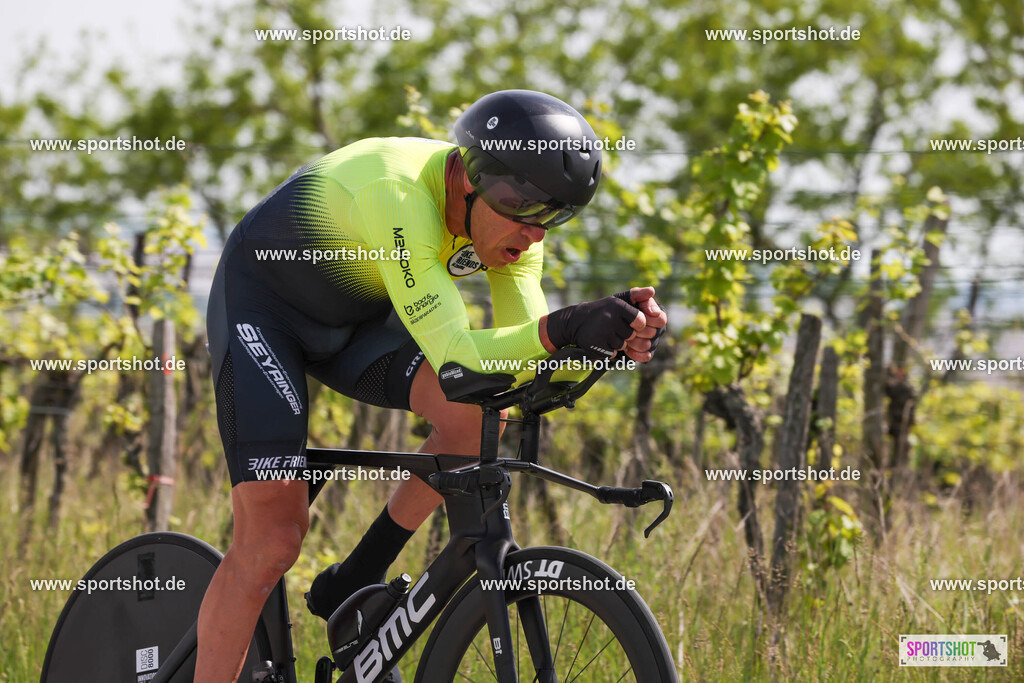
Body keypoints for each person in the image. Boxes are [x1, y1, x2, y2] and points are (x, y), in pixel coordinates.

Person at [196, 89, 667, 682]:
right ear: (471, 178)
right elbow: (460, 358)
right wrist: (564, 327)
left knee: (475, 417)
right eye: (523, 207)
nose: (535, 232)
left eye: (555, 214)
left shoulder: (514, 230)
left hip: (362, 321)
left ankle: (358, 575)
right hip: (265, 311)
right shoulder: (399, 195)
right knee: (271, 542)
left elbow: (523, 361)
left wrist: (601, 341)